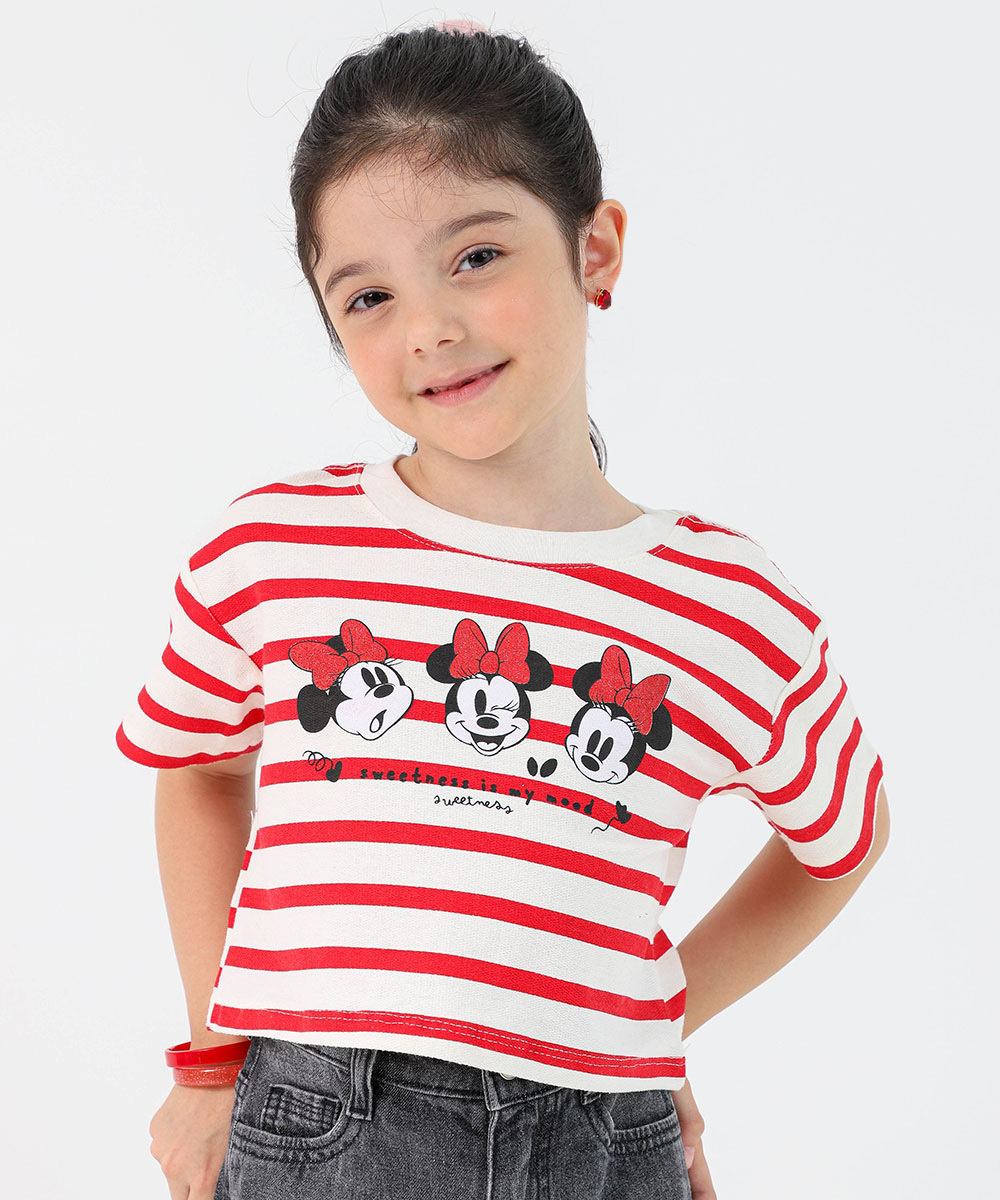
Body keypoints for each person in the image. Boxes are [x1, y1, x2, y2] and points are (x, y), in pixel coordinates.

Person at [120, 19, 891, 1200]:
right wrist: (209, 1058)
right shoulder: (272, 549)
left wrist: (650, 1019)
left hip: (603, 1141)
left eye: (475, 256)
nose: (428, 326)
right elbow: (199, 769)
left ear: (596, 249)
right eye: (368, 295)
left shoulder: (728, 607)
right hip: (322, 1125)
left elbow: (841, 840)